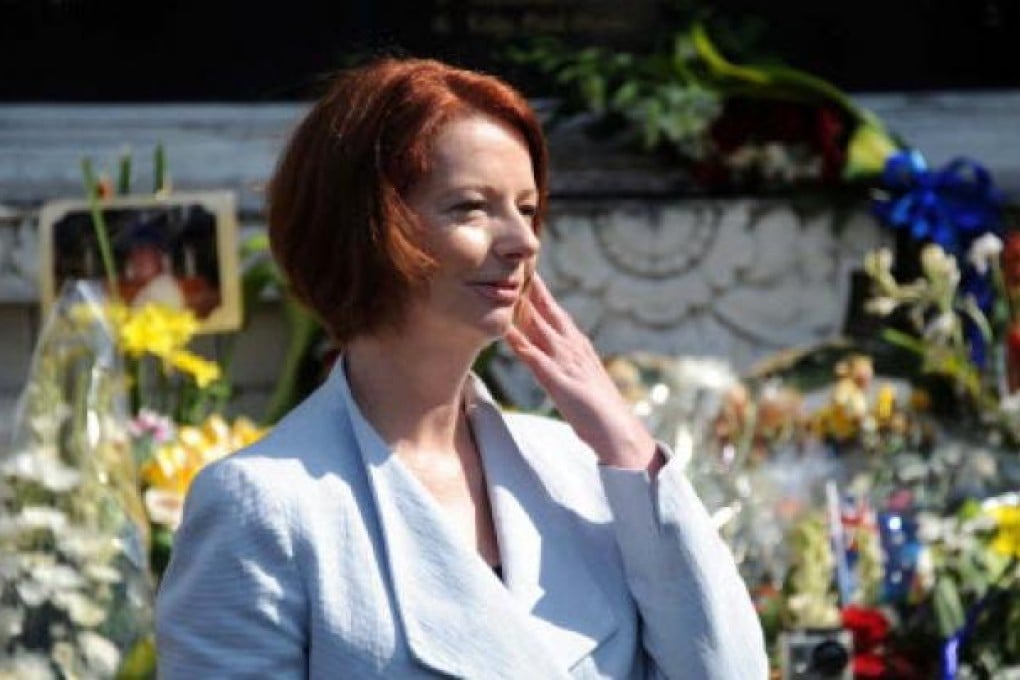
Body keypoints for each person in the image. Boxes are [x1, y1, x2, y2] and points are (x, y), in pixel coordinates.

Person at [155, 58, 768, 679]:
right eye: (473, 208)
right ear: (367, 226)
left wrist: (628, 445)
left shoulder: (583, 470)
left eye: (527, 209)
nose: (523, 240)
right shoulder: (264, 505)